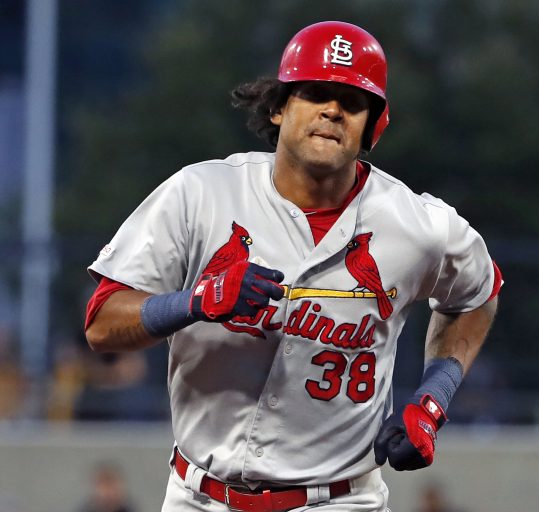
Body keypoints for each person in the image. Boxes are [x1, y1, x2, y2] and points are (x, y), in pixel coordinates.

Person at [84, 21, 501, 512]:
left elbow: (479, 293)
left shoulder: (419, 225)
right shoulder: (200, 193)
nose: (332, 109)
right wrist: (193, 302)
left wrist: (434, 398)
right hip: (199, 496)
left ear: (374, 125)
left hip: (339, 501)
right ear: (279, 107)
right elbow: (102, 323)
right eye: (315, 92)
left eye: (351, 101)